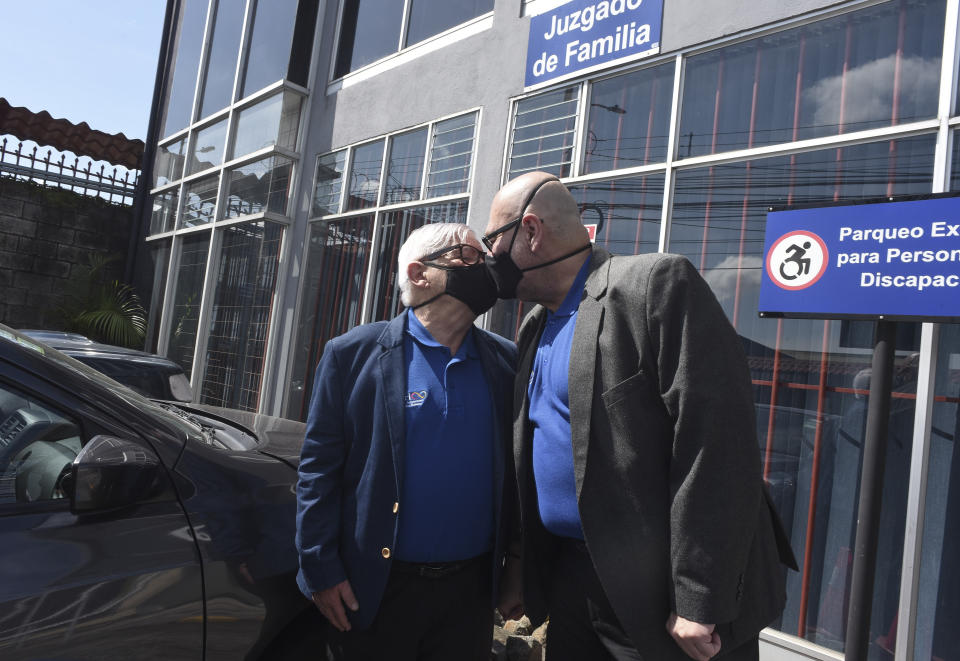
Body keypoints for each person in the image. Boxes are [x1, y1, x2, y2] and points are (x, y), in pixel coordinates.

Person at [486, 172, 796, 661]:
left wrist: (699, 597)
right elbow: (533, 453)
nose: (489, 258)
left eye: (493, 240)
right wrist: (521, 567)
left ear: (531, 231)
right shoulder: (533, 327)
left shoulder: (654, 285)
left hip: (662, 599)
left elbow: (715, 442)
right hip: (572, 583)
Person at [295, 223, 517, 661]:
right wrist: (320, 570)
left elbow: (518, 476)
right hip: (374, 590)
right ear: (419, 274)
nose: (486, 268)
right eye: (468, 257)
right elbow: (317, 472)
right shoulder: (351, 355)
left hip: (469, 595)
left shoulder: (506, 361)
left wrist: (519, 568)